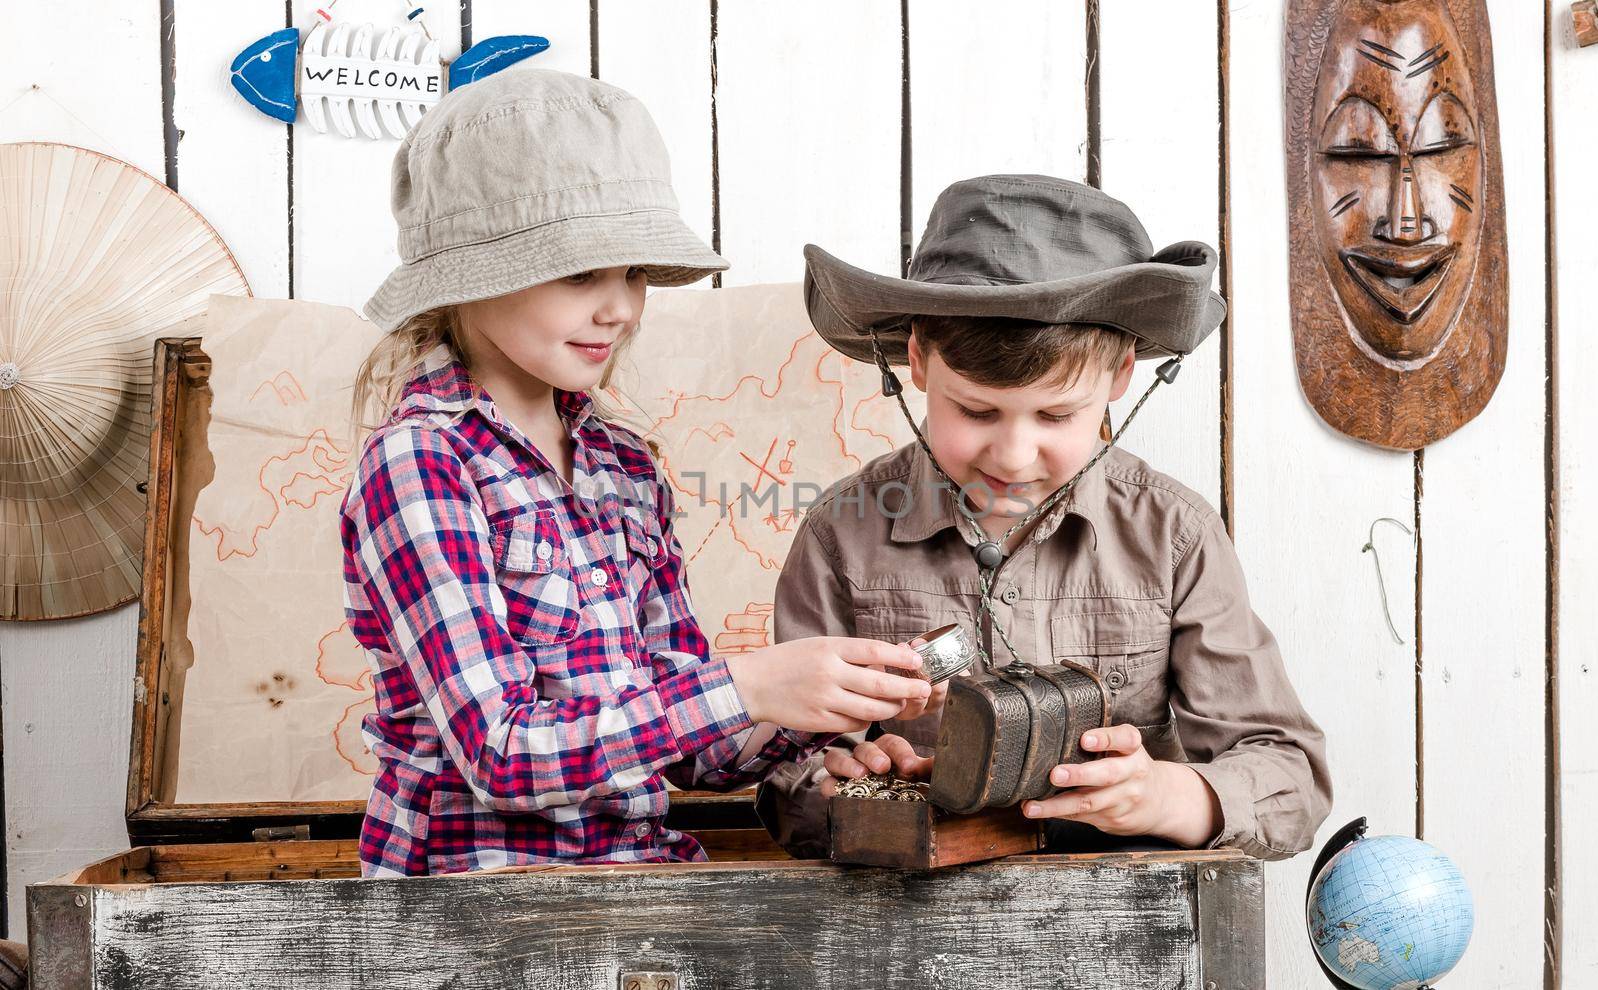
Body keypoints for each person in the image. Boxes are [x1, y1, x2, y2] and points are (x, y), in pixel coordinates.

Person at [340, 67, 928, 877]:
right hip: (469, 914)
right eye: (582, 273)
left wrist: (824, 707)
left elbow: (693, 751)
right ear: (471, 277)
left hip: (640, 893)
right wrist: (749, 685)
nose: (618, 307)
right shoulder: (419, 462)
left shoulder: (621, 465)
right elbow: (500, 752)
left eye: (635, 273)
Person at [757, 175, 1332, 861]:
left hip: (1122, 926)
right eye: (975, 411)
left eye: (1057, 416)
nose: (1014, 453)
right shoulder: (839, 535)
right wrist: (839, 786)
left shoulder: (1173, 536)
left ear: (1120, 376)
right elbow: (786, 770)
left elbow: (1287, 776)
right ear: (916, 360)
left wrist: (1166, 796)